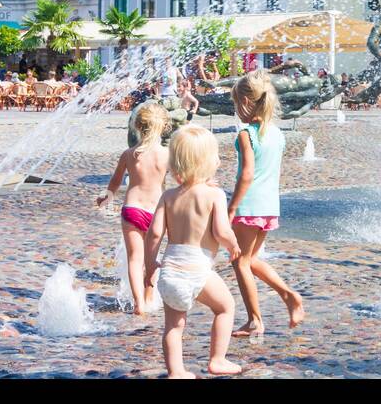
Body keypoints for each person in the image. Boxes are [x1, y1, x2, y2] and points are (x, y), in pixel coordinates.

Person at [144, 124, 242, 378]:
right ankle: (217, 360)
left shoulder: (168, 196)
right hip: (198, 268)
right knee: (225, 307)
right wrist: (233, 245)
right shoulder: (214, 195)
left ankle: (176, 372)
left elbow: (154, 233)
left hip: (171, 270)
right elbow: (221, 230)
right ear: (210, 161)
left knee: (173, 327)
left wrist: (150, 264)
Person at [227, 69, 305, 336]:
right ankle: (288, 296)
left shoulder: (246, 134)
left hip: (249, 206)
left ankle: (255, 320)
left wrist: (231, 207)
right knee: (250, 259)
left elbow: (247, 174)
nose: (237, 110)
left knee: (240, 262)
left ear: (247, 103)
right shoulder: (277, 134)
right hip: (269, 207)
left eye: (237, 104)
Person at [97, 101, 171, 315]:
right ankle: (149, 297)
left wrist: (105, 198)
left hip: (132, 209)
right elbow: (183, 179)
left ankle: (139, 303)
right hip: (156, 212)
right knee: (152, 258)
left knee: (134, 258)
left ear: (138, 126)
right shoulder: (166, 155)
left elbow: (115, 182)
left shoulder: (130, 154)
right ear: (164, 127)